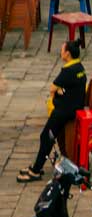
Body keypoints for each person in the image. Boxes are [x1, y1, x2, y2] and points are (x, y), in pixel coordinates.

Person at [17, 39, 87, 182]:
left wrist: (60, 91)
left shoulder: (67, 71)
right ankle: (36, 166)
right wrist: (61, 90)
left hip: (64, 111)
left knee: (46, 137)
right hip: (74, 108)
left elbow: (52, 88)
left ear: (67, 54)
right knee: (47, 136)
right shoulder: (80, 67)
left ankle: (36, 170)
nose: (60, 52)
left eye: (62, 50)